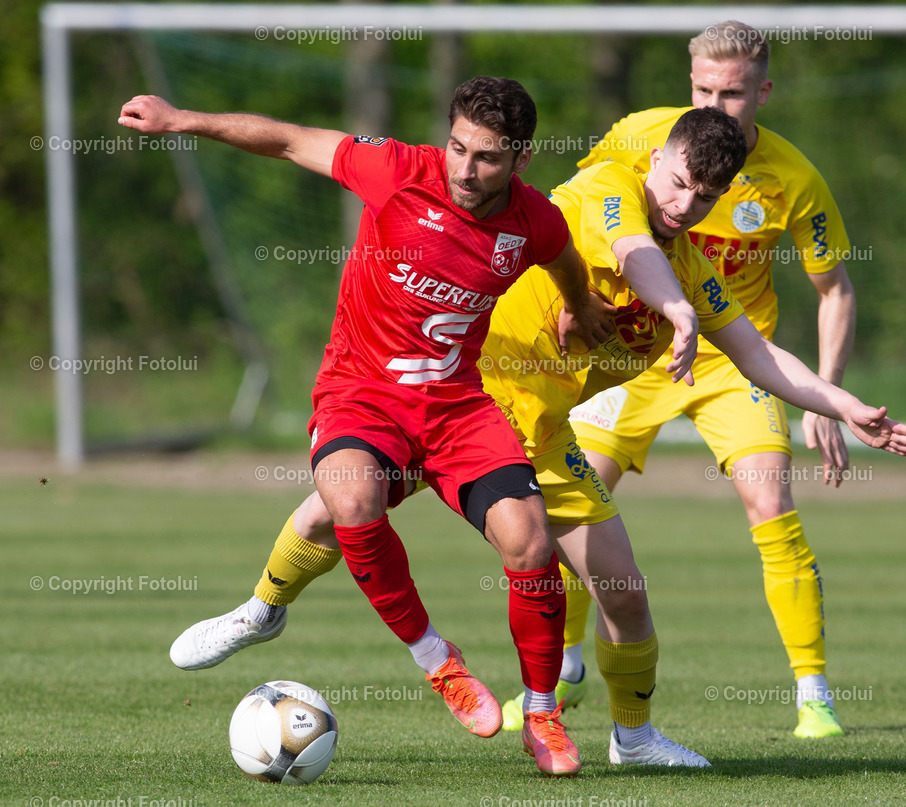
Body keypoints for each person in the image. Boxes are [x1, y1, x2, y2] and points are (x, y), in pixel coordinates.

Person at [164, 106, 906, 769]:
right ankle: (261, 609)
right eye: (678, 182)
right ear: (655, 160)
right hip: (468, 396)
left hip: (544, 431)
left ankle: (632, 737)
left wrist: (843, 403)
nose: (684, 204)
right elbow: (633, 252)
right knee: (334, 512)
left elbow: (757, 354)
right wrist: (677, 312)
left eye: (705, 196)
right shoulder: (608, 190)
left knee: (624, 591)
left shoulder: (692, 267)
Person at [118, 76, 610, 778]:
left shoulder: (534, 220)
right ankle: (439, 663)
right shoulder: (397, 169)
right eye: (458, 148)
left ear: (521, 159)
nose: (466, 170)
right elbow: (289, 140)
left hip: (458, 407)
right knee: (351, 501)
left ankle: (541, 714)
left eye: (488, 157)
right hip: (363, 394)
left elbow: (563, 259)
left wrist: (580, 304)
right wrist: (181, 120)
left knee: (530, 542)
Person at [563, 20, 861, 739]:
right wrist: (577, 296)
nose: (714, 106)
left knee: (771, 501)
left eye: (731, 94)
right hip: (635, 353)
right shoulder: (642, 135)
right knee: (571, 501)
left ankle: (814, 695)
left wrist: (826, 394)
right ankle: (559, 672)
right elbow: (576, 206)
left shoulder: (794, 178)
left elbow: (835, 290)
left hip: (735, 358)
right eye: (702, 90)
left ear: (763, 91)